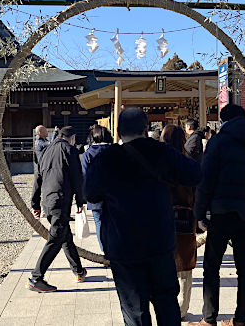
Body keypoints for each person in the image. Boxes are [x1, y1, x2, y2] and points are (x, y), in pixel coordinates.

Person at [85, 108, 201, 326]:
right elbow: (195, 173)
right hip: (160, 241)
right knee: (167, 304)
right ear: (146, 128)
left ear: (118, 132)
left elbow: (89, 193)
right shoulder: (162, 152)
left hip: (123, 244)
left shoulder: (107, 158)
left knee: (134, 310)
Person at [190, 104, 245, 326]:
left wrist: (199, 213)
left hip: (221, 212)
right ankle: (240, 319)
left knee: (212, 267)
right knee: (244, 268)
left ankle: (209, 318)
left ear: (224, 121)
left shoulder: (217, 143)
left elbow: (205, 180)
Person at [26, 126, 87, 293]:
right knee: (56, 237)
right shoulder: (70, 150)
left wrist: (35, 204)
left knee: (64, 235)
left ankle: (79, 271)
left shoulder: (46, 151)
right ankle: (36, 278)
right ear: (71, 138)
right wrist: (80, 200)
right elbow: (77, 177)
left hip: (48, 199)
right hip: (61, 199)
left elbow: (37, 178)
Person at [160, 124, 197, 320]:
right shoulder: (187, 162)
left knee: (163, 262)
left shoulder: (156, 163)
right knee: (184, 264)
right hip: (184, 219)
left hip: (161, 220)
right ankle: (181, 310)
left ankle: (165, 306)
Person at [81, 124, 113, 253]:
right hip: (113, 195)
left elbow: (84, 175)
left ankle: (105, 251)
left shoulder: (87, 154)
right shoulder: (114, 151)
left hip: (95, 196)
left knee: (99, 224)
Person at [31, 125, 52, 219]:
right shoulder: (40, 142)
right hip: (41, 169)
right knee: (41, 189)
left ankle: (39, 209)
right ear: (40, 133)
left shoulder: (43, 141)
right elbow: (51, 146)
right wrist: (55, 133)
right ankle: (39, 209)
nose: (47, 132)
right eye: (45, 131)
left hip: (41, 168)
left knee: (39, 189)